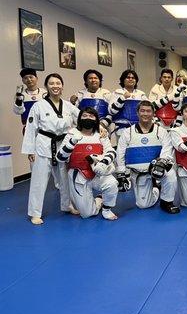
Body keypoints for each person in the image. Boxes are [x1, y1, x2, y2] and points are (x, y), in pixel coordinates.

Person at [21, 73, 80, 225]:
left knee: (64, 179)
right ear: (46, 86)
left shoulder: (67, 105)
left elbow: (83, 117)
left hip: (63, 146)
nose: (55, 86)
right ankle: (35, 213)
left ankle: (67, 205)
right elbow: (31, 128)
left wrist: (99, 127)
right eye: (52, 83)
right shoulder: (38, 105)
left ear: (62, 86)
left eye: (58, 83)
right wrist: (30, 150)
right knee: (39, 181)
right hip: (43, 144)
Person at [116, 101, 179, 214]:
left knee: (170, 175)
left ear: (153, 113)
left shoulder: (161, 131)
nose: (145, 114)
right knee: (143, 205)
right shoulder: (127, 133)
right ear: (137, 113)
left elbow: (167, 150)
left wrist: (161, 164)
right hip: (138, 173)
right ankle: (156, 189)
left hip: (157, 169)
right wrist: (121, 174)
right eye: (142, 111)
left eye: (148, 111)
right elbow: (120, 153)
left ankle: (166, 202)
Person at [57, 107, 118, 220]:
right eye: (84, 115)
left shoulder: (101, 135)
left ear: (96, 119)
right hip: (78, 175)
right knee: (87, 214)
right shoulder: (71, 134)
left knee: (112, 183)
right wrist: (72, 142)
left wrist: (104, 162)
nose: (88, 118)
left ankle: (106, 209)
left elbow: (111, 151)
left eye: (91, 116)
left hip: (98, 173)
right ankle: (99, 199)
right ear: (80, 118)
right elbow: (60, 157)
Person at [109, 70, 148, 140]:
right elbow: (111, 111)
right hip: (122, 129)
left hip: (139, 129)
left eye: (133, 78)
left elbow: (149, 111)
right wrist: (122, 98)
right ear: (123, 80)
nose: (131, 79)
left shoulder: (141, 94)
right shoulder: (117, 93)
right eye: (128, 77)